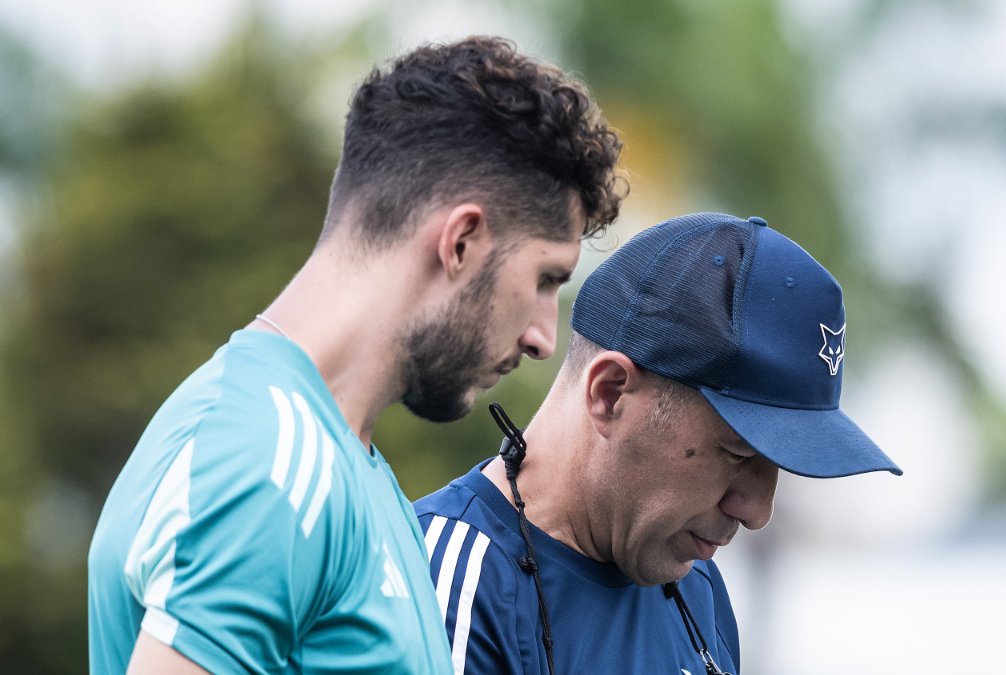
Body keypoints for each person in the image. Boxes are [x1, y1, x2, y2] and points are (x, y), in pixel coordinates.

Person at [87, 36, 624, 674]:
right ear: (461, 242)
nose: (542, 337)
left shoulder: (342, 465)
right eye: (543, 279)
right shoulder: (269, 466)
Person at [416, 212, 903, 674]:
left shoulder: (695, 585)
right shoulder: (448, 584)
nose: (756, 511)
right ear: (610, 393)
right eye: (736, 452)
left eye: (778, 463)